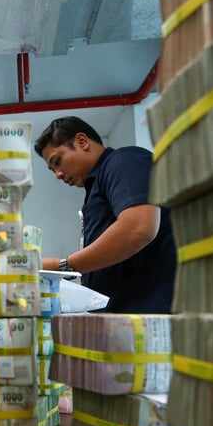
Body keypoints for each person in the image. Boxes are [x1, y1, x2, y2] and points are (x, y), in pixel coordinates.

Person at [34, 116, 176, 313]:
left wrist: (64, 266)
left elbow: (139, 228)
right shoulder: (95, 191)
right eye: (52, 170)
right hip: (124, 321)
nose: (58, 174)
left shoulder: (124, 161)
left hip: (151, 316)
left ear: (82, 142)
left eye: (58, 161)